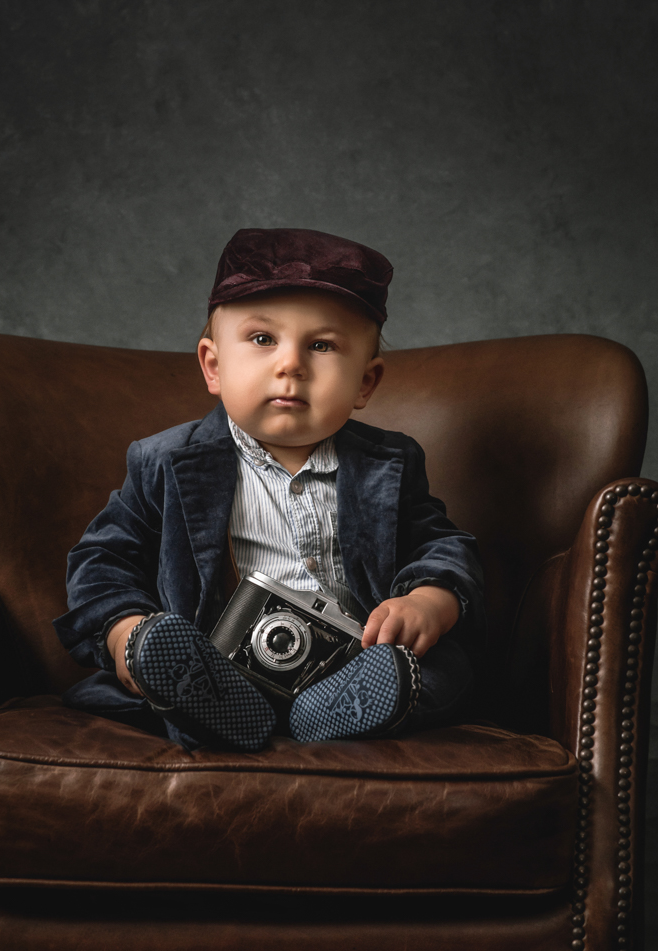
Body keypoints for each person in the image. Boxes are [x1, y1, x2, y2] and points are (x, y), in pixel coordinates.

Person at [53, 228, 484, 752]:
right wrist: (126, 632)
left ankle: (343, 710)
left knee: (443, 672)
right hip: (214, 668)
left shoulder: (389, 463)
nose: (291, 365)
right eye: (262, 340)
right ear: (214, 366)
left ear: (365, 383)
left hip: (350, 667)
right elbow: (102, 561)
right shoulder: (164, 461)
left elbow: (440, 544)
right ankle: (197, 695)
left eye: (322, 346)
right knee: (148, 668)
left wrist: (428, 602)